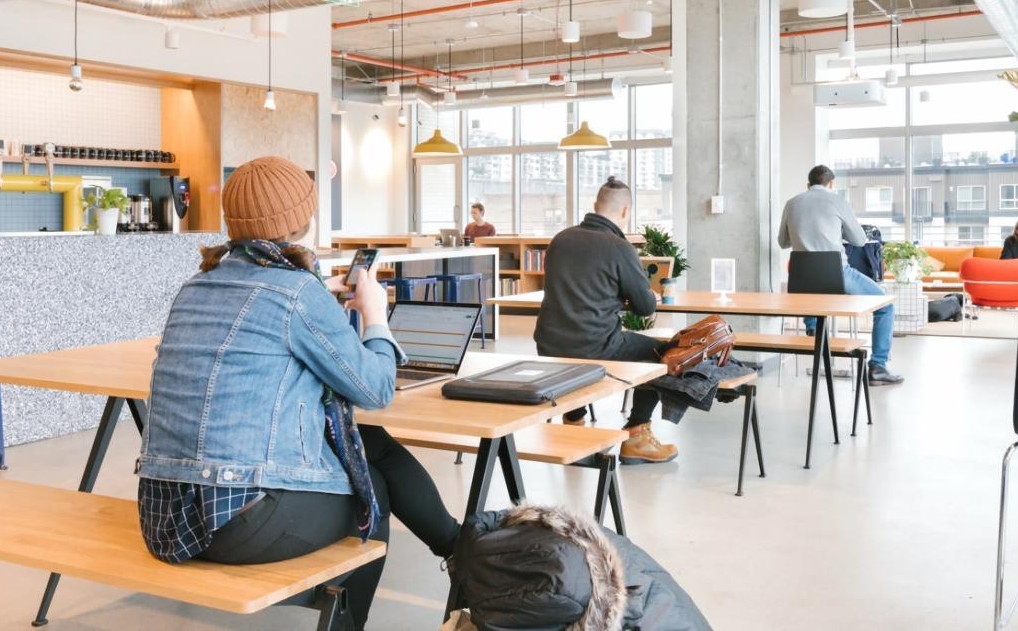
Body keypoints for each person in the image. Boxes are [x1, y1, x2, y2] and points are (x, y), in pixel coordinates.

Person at [136, 156, 459, 631]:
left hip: (163, 515)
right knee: (371, 488)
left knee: (371, 442)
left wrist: (318, 295)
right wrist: (375, 316)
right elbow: (376, 389)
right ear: (302, 219)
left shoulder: (195, 286)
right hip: (235, 524)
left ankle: (456, 546)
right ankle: (439, 567)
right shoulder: (296, 292)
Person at [534, 176, 676, 464]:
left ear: (594, 205)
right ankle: (636, 436)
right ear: (625, 211)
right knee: (661, 354)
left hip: (548, 344)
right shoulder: (619, 246)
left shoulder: (560, 239)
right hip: (594, 345)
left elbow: (577, 291)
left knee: (573, 352)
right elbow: (644, 307)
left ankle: (573, 427)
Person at [777, 165, 902, 386]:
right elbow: (860, 240)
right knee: (885, 305)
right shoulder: (837, 201)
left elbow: (783, 242)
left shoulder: (792, 203)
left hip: (801, 279)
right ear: (831, 183)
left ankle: (814, 328)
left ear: (808, 184)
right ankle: (878, 367)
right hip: (836, 275)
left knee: (813, 294)